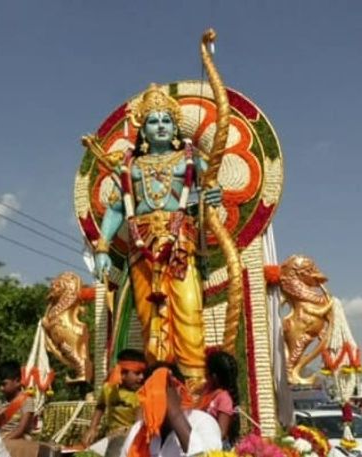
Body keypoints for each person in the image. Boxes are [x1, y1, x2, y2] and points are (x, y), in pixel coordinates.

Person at [91, 83, 224, 387]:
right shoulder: (130, 165)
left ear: (175, 127)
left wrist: (213, 194)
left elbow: (210, 187)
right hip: (142, 247)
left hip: (179, 245)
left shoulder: (189, 159)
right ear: (143, 130)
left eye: (167, 121)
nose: (161, 127)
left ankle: (194, 382)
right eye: (154, 121)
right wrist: (102, 247)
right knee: (150, 316)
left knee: (188, 309)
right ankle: (160, 380)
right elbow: (115, 209)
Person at [119, 364, 222, 457]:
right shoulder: (138, 431)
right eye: (150, 395)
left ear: (178, 391)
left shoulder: (203, 423)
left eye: (160, 392)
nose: (155, 400)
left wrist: (176, 415)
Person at [83, 349, 147, 457]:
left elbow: (139, 424)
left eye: (143, 373)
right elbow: (100, 406)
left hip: (132, 437)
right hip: (111, 435)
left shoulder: (142, 394)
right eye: (137, 373)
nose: (142, 377)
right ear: (122, 373)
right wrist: (92, 428)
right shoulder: (108, 389)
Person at [196, 350, 239, 448]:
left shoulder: (224, 399)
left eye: (206, 372)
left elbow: (221, 433)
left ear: (214, 377)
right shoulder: (207, 391)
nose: (205, 376)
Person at [0, 361, 36, 441]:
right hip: (0, 440)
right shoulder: (0, 401)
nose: (1, 388)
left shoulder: (27, 401)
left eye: (4, 384)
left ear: (17, 381)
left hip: (18, 441)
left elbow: (21, 430)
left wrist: (4, 442)